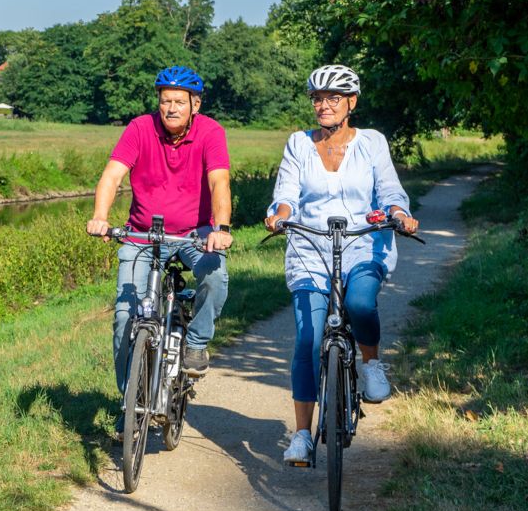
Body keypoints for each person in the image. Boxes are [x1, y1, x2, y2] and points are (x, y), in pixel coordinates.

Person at [264, 64, 420, 466]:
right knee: (308, 339)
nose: (323, 106)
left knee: (360, 303)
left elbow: (389, 189)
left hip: (362, 243)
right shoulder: (299, 143)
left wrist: (399, 213)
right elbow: (287, 192)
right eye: (317, 99)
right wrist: (280, 215)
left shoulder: (371, 142)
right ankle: (302, 434)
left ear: (351, 102)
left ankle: (371, 364)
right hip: (310, 246)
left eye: (333, 98)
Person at [86, 66, 234, 396]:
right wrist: (100, 216)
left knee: (215, 275)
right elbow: (112, 176)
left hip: (195, 233)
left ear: (195, 104)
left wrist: (221, 228)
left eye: (179, 102)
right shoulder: (140, 128)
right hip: (143, 234)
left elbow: (219, 181)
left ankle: (196, 342)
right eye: (166, 101)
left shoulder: (211, 132)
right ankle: (130, 403)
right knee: (125, 317)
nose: (171, 108)